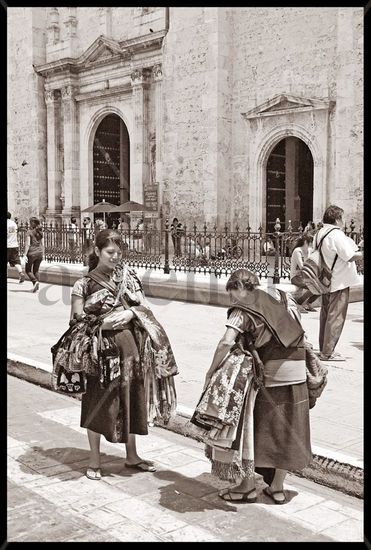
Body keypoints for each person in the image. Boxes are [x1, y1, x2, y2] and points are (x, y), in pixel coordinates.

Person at [191, 269, 315, 504]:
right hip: (298, 372)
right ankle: (277, 488)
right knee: (286, 431)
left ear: (238, 287)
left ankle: (247, 487)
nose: (233, 301)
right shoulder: (280, 295)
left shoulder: (243, 308)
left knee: (252, 431)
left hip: (272, 376)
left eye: (233, 295)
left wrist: (210, 371)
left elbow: (226, 342)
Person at [68, 229, 178, 480]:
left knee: (131, 400)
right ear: (97, 252)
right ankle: (94, 459)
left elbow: (144, 308)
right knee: (97, 401)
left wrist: (131, 314)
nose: (115, 257)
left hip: (131, 350)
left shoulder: (130, 279)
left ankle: (132, 455)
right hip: (100, 353)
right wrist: (103, 325)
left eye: (119, 252)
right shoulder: (83, 284)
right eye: (110, 252)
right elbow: (75, 322)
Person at [315, 205, 362, 362]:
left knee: (326, 314)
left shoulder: (319, 233)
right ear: (336, 219)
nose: (344, 221)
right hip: (338, 280)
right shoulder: (336, 234)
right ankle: (328, 352)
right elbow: (349, 256)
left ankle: (324, 348)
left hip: (324, 279)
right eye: (342, 218)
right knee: (335, 316)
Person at [290, 233, 317, 312]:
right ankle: (298, 303)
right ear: (306, 242)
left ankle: (308, 304)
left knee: (321, 287)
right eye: (310, 243)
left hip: (305, 277)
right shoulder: (297, 251)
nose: (312, 246)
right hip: (295, 277)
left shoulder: (308, 251)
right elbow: (302, 267)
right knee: (314, 287)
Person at [23, 217, 44, 292]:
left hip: (32, 253)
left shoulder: (29, 232)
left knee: (28, 270)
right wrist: (43, 254)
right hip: (40, 253)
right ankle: (36, 287)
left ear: (33, 223)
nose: (29, 223)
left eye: (30, 222)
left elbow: (27, 244)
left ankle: (35, 281)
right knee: (36, 270)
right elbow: (42, 244)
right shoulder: (40, 232)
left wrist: (25, 254)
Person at [7, 211, 25, 283]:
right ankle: (21, 273)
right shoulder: (13, 223)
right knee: (16, 260)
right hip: (14, 245)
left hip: (7, 245)